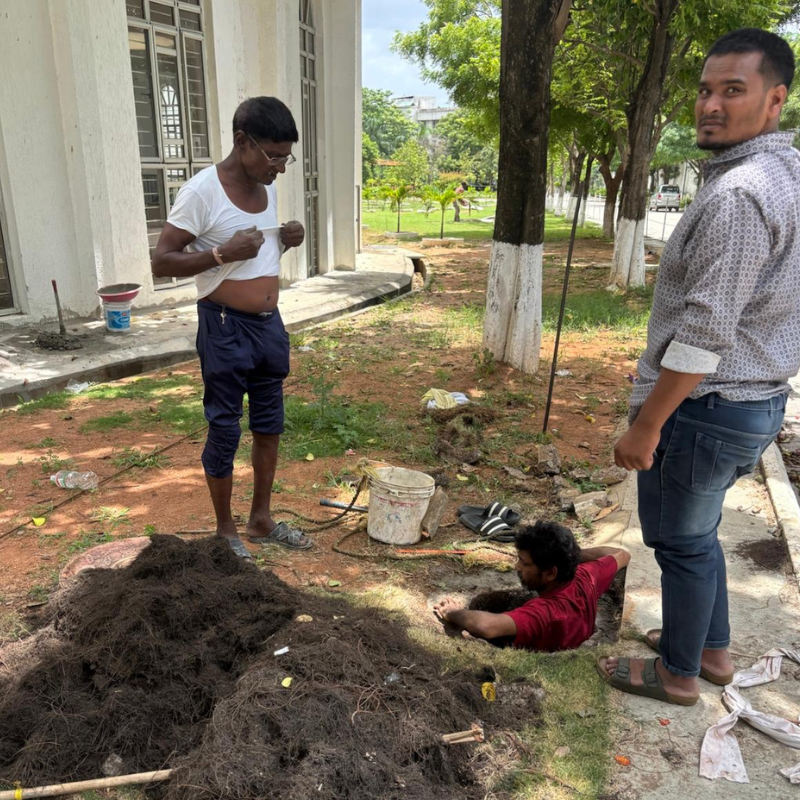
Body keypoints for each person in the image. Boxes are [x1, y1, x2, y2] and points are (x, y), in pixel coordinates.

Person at [600, 29, 800, 705]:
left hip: (705, 406)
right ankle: (711, 651)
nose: (711, 105)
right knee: (700, 533)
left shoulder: (739, 194)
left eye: (732, 91)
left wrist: (647, 425)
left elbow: (704, 335)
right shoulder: (785, 173)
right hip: (753, 401)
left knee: (680, 544)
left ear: (774, 99)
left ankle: (678, 673)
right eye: (706, 90)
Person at [152, 97, 311, 559]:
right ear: (242, 142)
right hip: (224, 327)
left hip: (269, 327)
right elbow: (162, 261)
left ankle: (261, 519)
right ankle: (225, 531)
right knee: (225, 428)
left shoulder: (266, 187)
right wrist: (221, 253)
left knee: (269, 424)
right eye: (273, 156)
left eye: (285, 157)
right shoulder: (202, 192)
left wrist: (287, 240)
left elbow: (255, 257)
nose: (279, 167)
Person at [433, 521, 630, 651]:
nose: (517, 566)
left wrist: (452, 612)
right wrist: (570, 556)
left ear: (551, 573)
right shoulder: (586, 576)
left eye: (525, 563)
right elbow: (622, 555)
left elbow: (485, 626)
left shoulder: (544, 613)